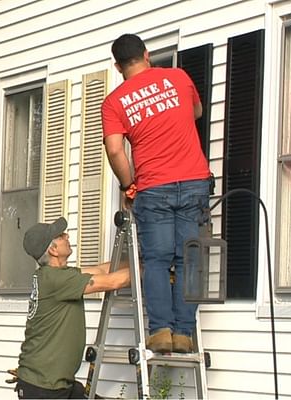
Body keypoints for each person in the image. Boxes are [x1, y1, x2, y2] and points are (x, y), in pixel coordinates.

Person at [101, 33, 212, 354]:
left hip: (153, 187)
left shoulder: (114, 102)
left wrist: (127, 184)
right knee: (189, 258)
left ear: (118, 66)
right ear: (147, 54)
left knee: (157, 260)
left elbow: (114, 150)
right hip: (194, 181)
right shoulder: (177, 77)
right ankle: (184, 333)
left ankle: (161, 330)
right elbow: (197, 112)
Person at [14, 216, 130, 399]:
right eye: (61, 236)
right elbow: (114, 281)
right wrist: (155, 265)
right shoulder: (57, 280)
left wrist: (136, 261)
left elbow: (101, 270)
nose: (67, 236)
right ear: (52, 250)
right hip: (44, 387)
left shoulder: (55, 275)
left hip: (55, 382)